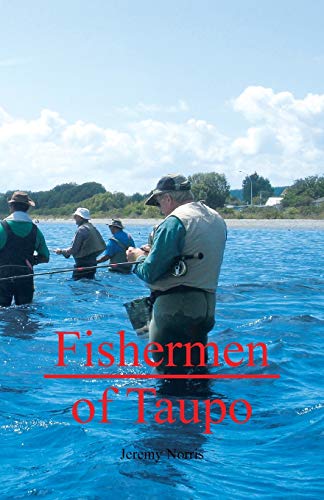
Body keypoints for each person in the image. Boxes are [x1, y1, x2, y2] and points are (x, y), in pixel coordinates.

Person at [127, 174, 227, 373]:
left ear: (167, 199)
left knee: (169, 377)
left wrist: (136, 257)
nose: (160, 210)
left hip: (174, 310)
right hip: (205, 308)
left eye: (158, 203)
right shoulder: (215, 218)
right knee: (197, 371)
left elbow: (150, 272)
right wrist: (155, 252)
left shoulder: (174, 221)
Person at [0, 191, 49, 306]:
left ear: (11, 206)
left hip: (2, 275)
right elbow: (45, 257)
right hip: (26, 275)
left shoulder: (2, 227)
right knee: (25, 310)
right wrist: (32, 261)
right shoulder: (35, 230)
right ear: (27, 208)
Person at [55, 208, 106, 280]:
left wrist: (61, 251)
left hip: (82, 265)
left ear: (81, 218)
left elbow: (74, 250)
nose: (74, 218)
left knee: (77, 288)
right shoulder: (92, 227)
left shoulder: (81, 230)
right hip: (92, 264)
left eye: (76, 216)